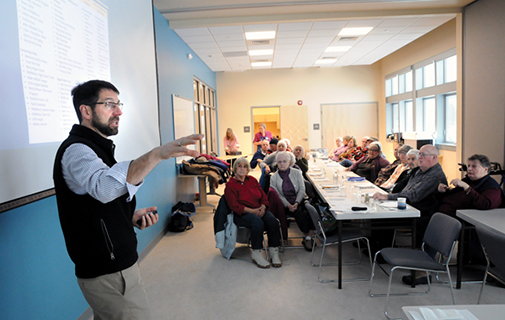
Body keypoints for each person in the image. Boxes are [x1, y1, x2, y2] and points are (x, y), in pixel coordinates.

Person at [53, 80, 203, 320]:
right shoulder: (77, 150)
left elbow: (97, 202)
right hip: (108, 270)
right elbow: (105, 188)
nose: (119, 111)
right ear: (86, 111)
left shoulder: (95, 147)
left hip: (116, 265)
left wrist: (127, 216)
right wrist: (156, 154)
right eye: (109, 104)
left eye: (119, 104)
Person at [224, 157, 282, 269]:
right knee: (257, 223)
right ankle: (257, 253)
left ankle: (274, 252)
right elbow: (234, 206)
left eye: (245, 167)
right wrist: (252, 211)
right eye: (239, 166)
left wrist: (263, 207)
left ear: (248, 169)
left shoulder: (252, 180)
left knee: (272, 221)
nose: (242, 169)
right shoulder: (230, 185)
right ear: (235, 168)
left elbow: (263, 196)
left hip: (259, 209)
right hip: (242, 214)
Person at [270, 152, 315, 251]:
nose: (282, 164)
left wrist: (297, 202)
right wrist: (288, 205)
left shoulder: (297, 172)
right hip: (283, 205)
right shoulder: (273, 177)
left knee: (309, 210)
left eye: (284, 161)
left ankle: (308, 237)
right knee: (297, 211)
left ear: (289, 162)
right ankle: (306, 236)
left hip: (298, 200)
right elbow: (278, 194)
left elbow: (302, 189)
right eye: (280, 162)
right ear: (277, 163)